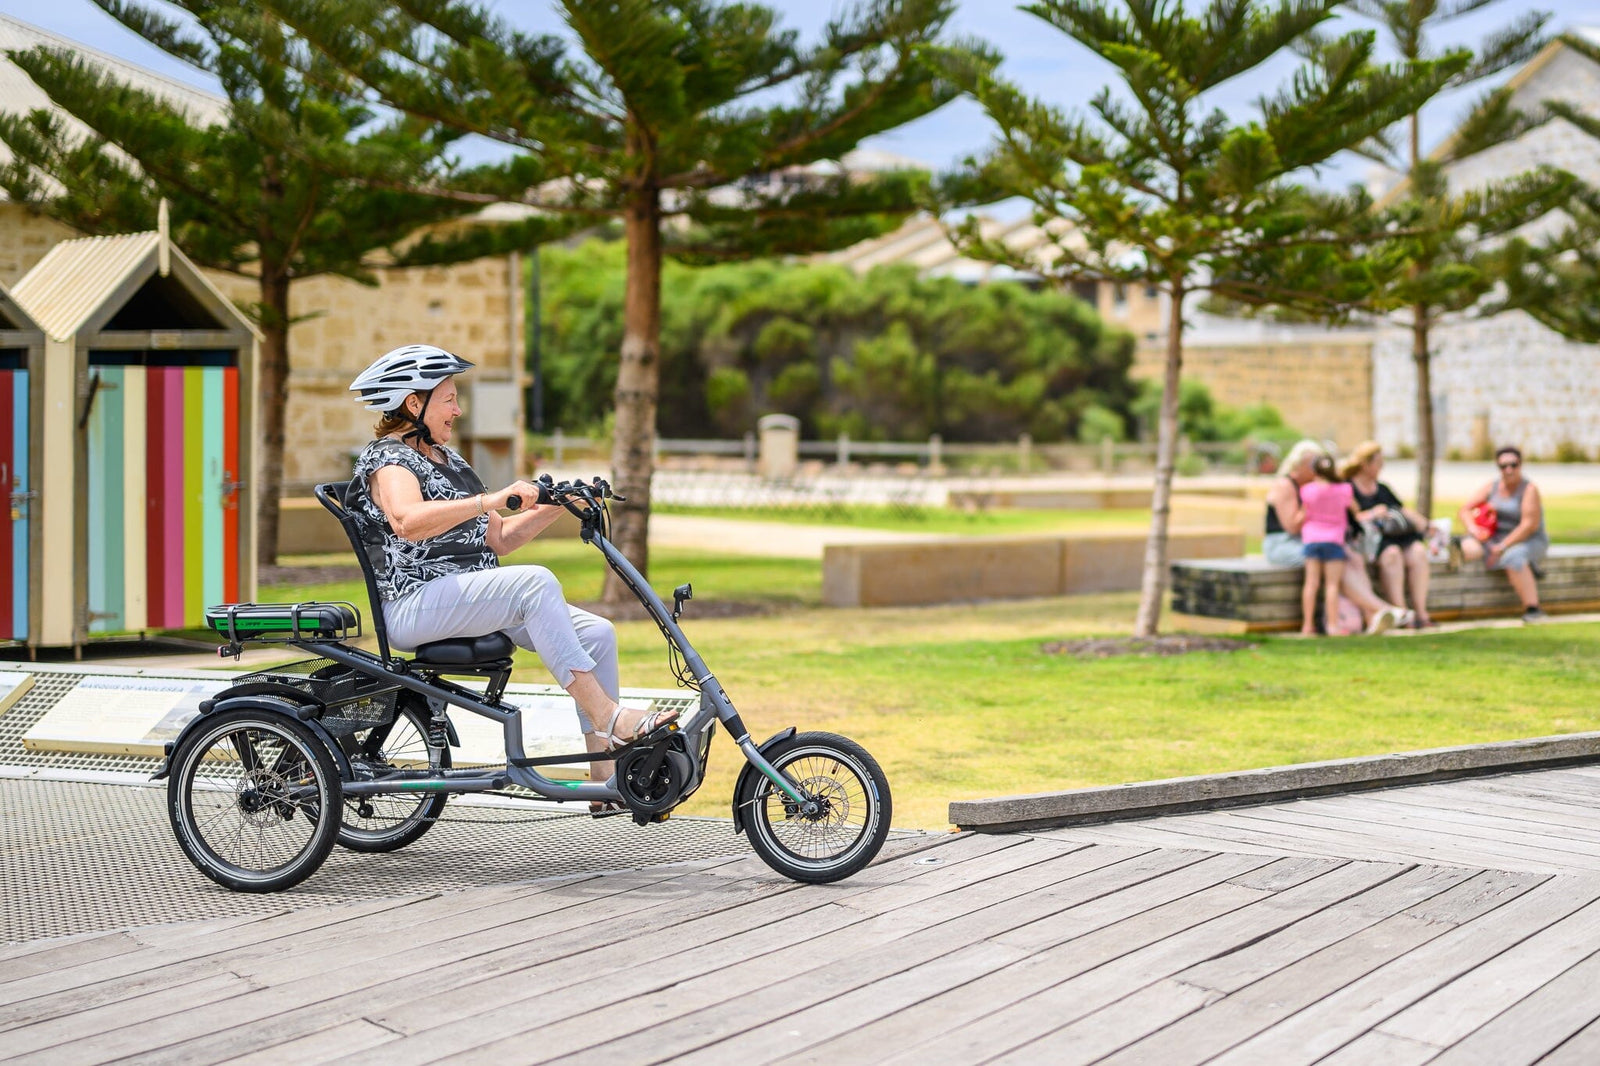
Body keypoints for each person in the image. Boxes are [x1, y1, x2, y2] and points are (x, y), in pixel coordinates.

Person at [345, 344, 678, 790]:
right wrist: (489, 499)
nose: (458, 410)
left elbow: (499, 538)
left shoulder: (449, 462)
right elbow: (405, 522)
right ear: (413, 403)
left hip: (465, 597)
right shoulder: (389, 459)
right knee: (534, 583)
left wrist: (561, 504)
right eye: (449, 399)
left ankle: (604, 779)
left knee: (598, 635)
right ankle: (610, 717)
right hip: (414, 604)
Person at [1264, 439, 1404, 634]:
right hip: (1283, 542)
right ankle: (1379, 609)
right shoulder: (1287, 485)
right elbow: (1292, 526)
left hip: (1311, 539)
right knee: (1336, 562)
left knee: (1353, 557)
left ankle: (1371, 615)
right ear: (1301, 465)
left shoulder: (1313, 488)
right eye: (1312, 466)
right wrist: (1318, 505)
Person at [1340, 441, 1435, 628]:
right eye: (1378, 463)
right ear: (1365, 464)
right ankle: (1402, 613)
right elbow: (1352, 517)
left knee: (1417, 551)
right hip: (1372, 540)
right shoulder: (1348, 488)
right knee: (1392, 554)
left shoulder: (1382, 488)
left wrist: (1425, 524)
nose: (1381, 468)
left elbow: (1401, 509)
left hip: (1396, 534)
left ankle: (1421, 613)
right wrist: (1375, 513)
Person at [1459, 445, 1549, 622]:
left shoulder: (1529, 489)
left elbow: (1528, 526)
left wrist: (1502, 547)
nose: (1508, 470)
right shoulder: (1491, 487)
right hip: (1494, 539)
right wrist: (1474, 529)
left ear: (1520, 465)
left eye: (1513, 465)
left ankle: (1533, 608)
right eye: (1503, 466)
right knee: (1466, 548)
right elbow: (1465, 510)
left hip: (1528, 539)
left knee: (1513, 557)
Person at [1298, 456, 1357, 635]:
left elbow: (1303, 514)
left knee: (1311, 583)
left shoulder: (1307, 490)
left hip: (1312, 539)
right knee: (1332, 585)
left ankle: (1307, 625)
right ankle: (1333, 625)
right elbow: (1355, 509)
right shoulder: (1344, 489)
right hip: (1334, 539)